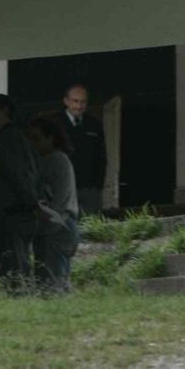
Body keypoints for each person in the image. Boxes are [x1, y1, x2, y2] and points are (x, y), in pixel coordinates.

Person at [0, 93, 39, 290]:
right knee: (17, 267)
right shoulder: (13, 137)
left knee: (14, 271)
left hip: (13, 215)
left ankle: (21, 307)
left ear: (5, 110)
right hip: (18, 213)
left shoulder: (9, 139)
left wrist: (32, 204)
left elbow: (18, 176)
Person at [28, 114, 80, 294]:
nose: (32, 144)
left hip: (57, 226)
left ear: (50, 138)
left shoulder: (55, 160)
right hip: (56, 226)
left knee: (52, 285)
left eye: (36, 138)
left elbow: (57, 205)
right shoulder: (52, 160)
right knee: (52, 281)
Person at [60, 84, 107, 216]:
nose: (79, 106)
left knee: (90, 228)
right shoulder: (54, 123)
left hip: (89, 189)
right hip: (63, 187)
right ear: (66, 101)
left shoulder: (94, 124)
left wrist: (98, 185)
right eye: (75, 101)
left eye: (83, 102)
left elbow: (101, 157)